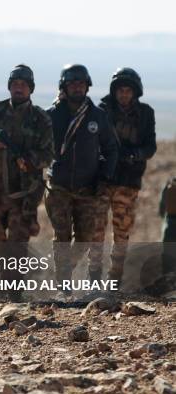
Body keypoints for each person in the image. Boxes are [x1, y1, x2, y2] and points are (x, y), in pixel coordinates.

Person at [0, 64, 53, 301]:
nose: (19, 88)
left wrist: (31, 161)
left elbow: (49, 154)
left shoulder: (40, 119)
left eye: (24, 85)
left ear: (31, 89)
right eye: (15, 84)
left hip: (23, 194)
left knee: (17, 244)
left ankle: (14, 293)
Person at [45, 64, 118, 292]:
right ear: (64, 87)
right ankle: (63, 283)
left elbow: (112, 149)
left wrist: (105, 177)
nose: (77, 87)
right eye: (72, 83)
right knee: (62, 236)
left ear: (87, 86)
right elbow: (37, 146)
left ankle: (63, 271)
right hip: (58, 187)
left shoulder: (98, 117)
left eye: (81, 83)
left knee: (85, 237)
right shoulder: (51, 116)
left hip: (88, 188)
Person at [94, 68, 156, 287]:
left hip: (128, 180)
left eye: (128, 90)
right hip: (103, 179)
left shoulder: (146, 113)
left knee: (122, 232)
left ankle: (114, 280)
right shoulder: (101, 110)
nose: (124, 94)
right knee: (96, 230)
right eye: (120, 90)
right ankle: (93, 278)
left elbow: (150, 146)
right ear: (115, 91)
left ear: (135, 91)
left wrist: (134, 154)